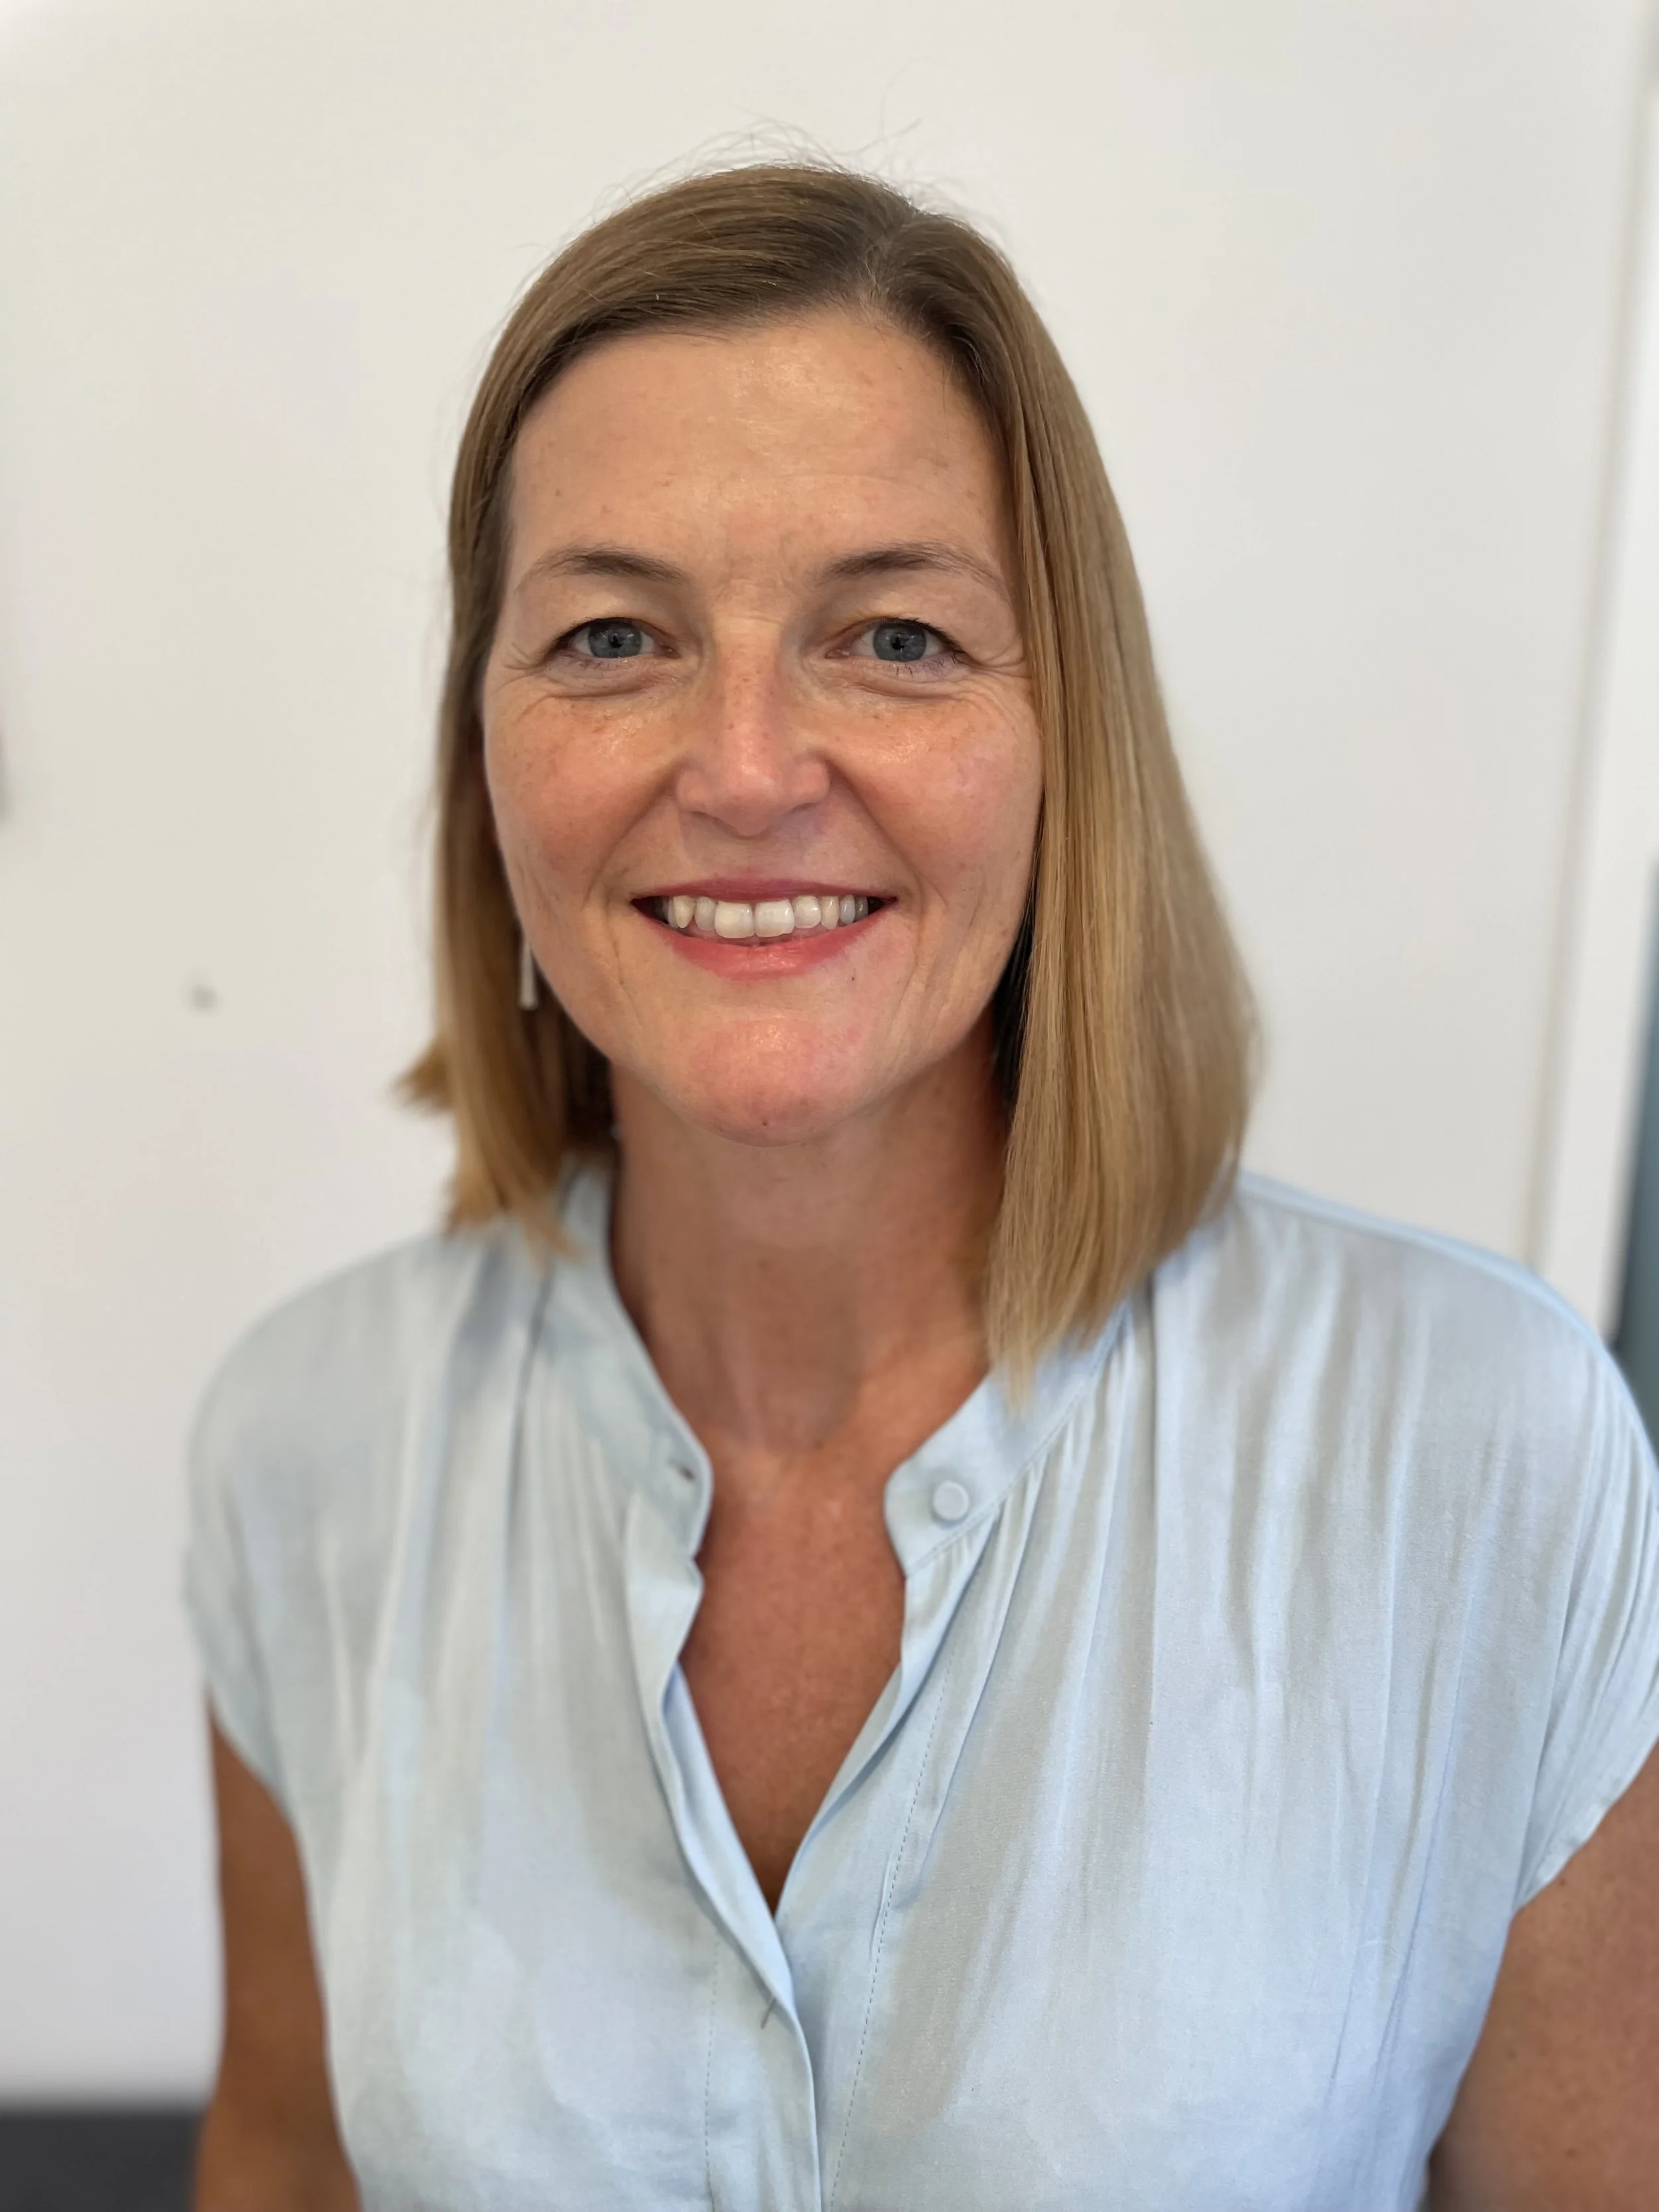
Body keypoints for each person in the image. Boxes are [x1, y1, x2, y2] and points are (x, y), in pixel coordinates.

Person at [182, 164, 1659, 2212]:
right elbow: (281, 2151)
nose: (749, 761)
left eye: (893, 635)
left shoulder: (1485, 1447)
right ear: (486, 762)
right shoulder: (309, 1444)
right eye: (613, 635)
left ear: (1067, 745)